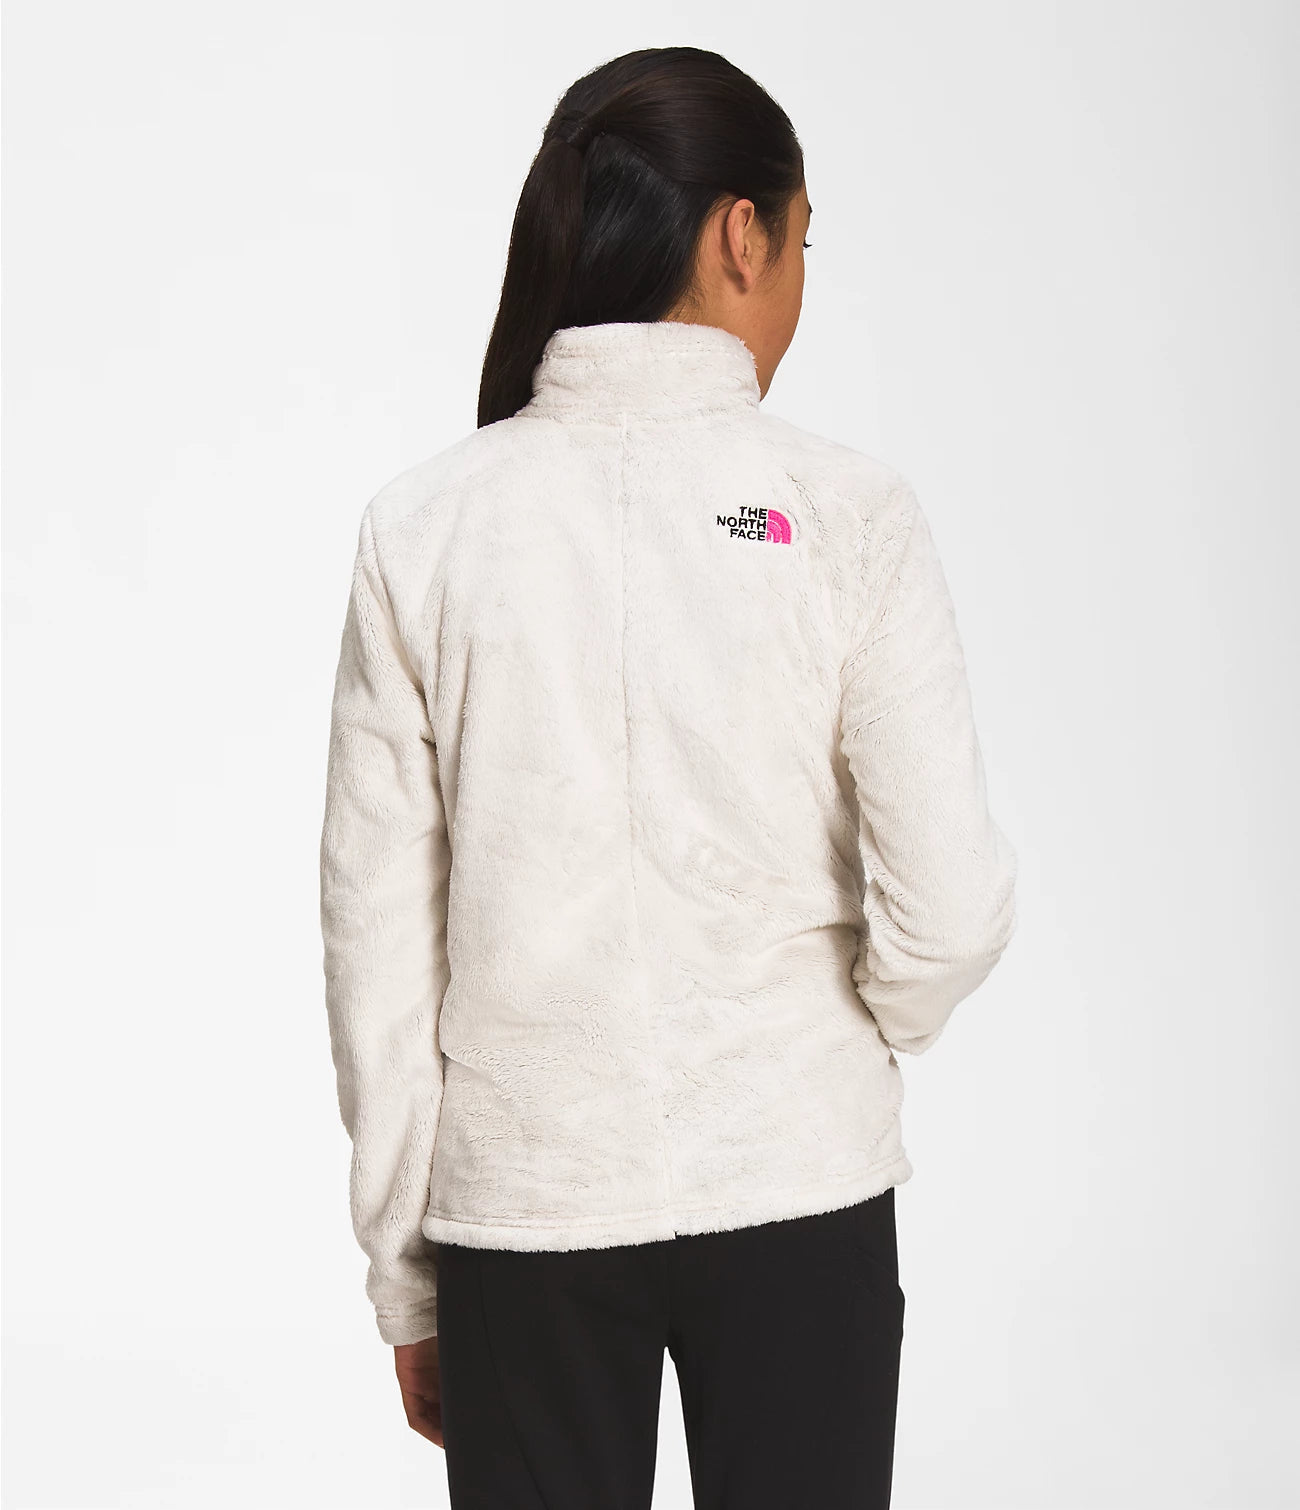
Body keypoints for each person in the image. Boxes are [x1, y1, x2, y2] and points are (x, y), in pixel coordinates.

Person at [318, 44, 1018, 1510]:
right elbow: (949, 912)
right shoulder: (848, 514)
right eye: (803, 241)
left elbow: (378, 952)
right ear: (740, 235)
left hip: (523, 1210)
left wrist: (407, 1277)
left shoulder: (424, 527)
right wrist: (843, 1030)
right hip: (798, 1180)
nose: (801, 284)